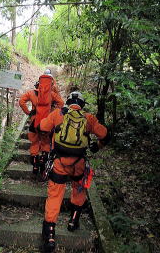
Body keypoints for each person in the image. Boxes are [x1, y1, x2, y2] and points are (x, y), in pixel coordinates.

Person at [37, 91, 110, 252]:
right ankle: (73, 221)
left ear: (68, 102)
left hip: (59, 162)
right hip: (79, 163)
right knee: (79, 189)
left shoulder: (58, 114)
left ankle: (49, 235)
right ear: (82, 105)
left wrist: (48, 142)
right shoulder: (89, 118)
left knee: (55, 195)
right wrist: (97, 147)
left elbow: (40, 127)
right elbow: (105, 134)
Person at [19, 81, 64, 175]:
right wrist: (52, 112)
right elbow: (61, 103)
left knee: (34, 143)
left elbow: (21, 101)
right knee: (46, 142)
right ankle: (43, 163)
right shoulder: (52, 94)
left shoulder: (31, 93)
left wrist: (28, 112)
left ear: (37, 85)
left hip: (34, 122)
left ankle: (35, 165)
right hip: (47, 123)